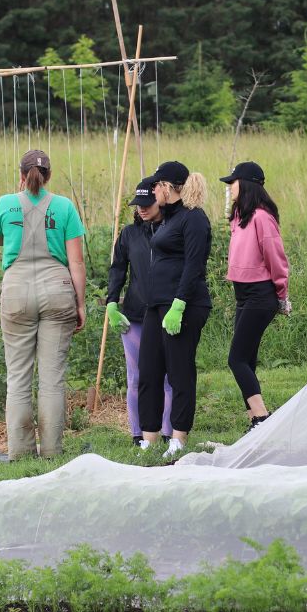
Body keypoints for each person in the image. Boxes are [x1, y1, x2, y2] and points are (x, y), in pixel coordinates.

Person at [0, 149, 86, 460]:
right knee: (51, 378)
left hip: (16, 290)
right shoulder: (64, 206)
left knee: (18, 376)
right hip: (57, 289)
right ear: (49, 176)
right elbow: (77, 261)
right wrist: (80, 303)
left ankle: (19, 452)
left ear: (21, 175)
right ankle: (52, 452)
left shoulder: (6, 204)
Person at [137, 161, 212, 457]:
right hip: (157, 306)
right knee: (149, 371)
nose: (153, 190)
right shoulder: (167, 219)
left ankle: (178, 437)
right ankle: (149, 437)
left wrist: (179, 304)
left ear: (168, 187)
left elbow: (194, 264)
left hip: (183, 305)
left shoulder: (193, 219)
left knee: (179, 372)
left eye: (156, 185)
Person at [220, 161, 291, 431]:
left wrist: (281, 293)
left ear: (246, 183)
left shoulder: (262, 216)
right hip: (243, 293)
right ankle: (254, 419)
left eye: (232, 182)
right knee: (246, 359)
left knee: (235, 359)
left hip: (261, 294)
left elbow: (276, 258)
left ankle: (262, 418)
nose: (229, 187)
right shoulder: (239, 217)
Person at [106, 176, 173, 446]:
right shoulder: (129, 234)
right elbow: (118, 270)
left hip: (166, 313)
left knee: (167, 377)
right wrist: (112, 302)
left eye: (147, 204)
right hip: (135, 316)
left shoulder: (171, 230)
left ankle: (169, 433)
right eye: (138, 204)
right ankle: (138, 435)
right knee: (136, 377)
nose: (142, 209)